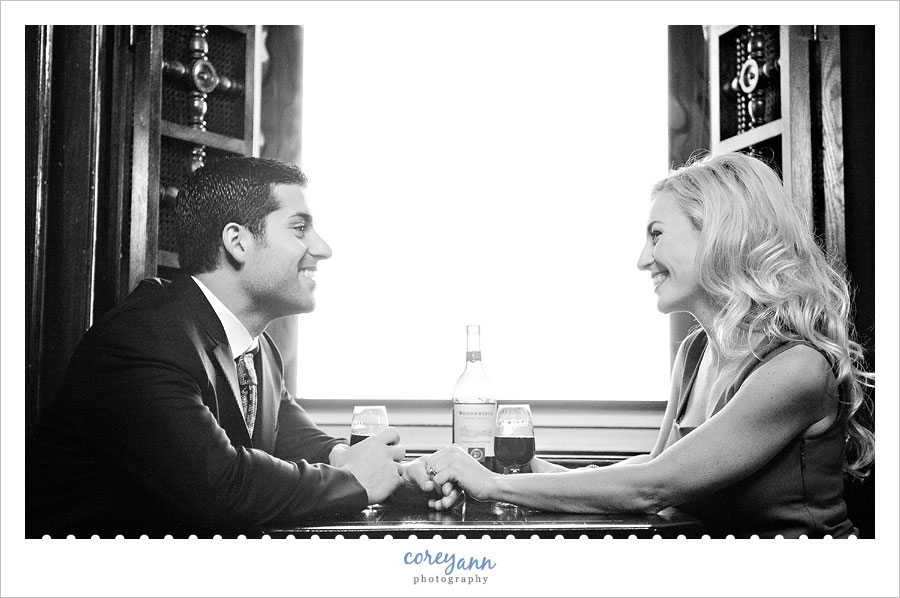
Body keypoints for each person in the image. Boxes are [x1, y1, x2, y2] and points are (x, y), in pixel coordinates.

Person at [412, 152, 875, 538]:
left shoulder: (795, 369)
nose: (641, 260)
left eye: (657, 235)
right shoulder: (695, 353)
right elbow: (657, 467)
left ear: (719, 235)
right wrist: (529, 467)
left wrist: (492, 485)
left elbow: (655, 488)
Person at [26, 157, 411, 538]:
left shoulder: (257, 349)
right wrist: (356, 481)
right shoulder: (145, 337)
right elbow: (220, 489)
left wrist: (393, 471)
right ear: (237, 242)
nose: (323, 249)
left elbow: (297, 442)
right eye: (299, 229)